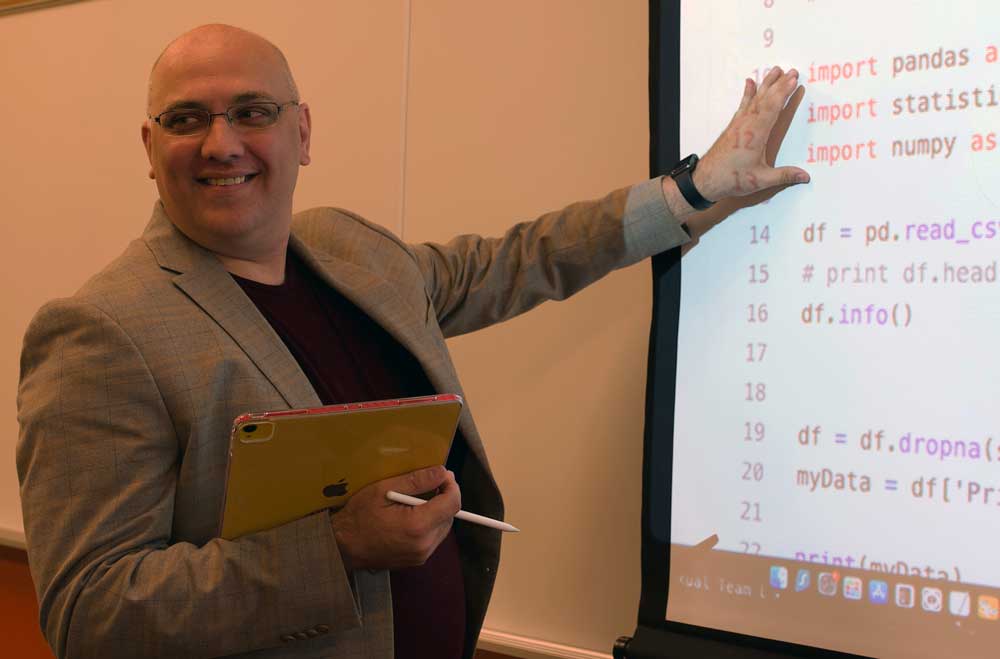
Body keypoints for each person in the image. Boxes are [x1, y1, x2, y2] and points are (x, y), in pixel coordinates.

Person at [16, 23, 808, 659]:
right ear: (150, 150)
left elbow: (520, 260)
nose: (221, 142)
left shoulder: (349, 248)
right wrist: (337, 549)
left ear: (302, 132)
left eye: (251, 111)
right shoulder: (99, 331)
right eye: (186, 119)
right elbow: (91, 613)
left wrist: (694, 190)